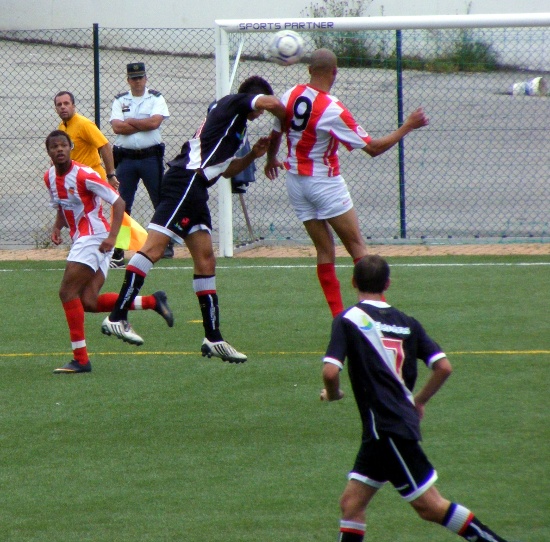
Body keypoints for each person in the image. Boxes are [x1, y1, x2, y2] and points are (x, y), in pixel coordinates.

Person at [320, 255, 515, 542]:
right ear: (388, 284)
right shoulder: (408, 323)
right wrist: (420, 400)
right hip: (384, 429)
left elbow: (330, 371)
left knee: (430, 506)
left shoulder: (348, 320)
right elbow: (443, 367)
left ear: (353, 282)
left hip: (387, 429)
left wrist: (333, 393)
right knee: (351, 504)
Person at [101, 76, 286, 363]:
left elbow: (226, 171)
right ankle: (117, 316)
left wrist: (253, 155)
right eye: (259, 107)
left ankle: (213, 338)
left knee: (206, 260)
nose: (261, 113)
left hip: (196, 187)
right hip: (186, 180)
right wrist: (291, 110)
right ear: (253, 100)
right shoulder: (233, 103)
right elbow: (273, 103)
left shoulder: (235, 125)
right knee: (154, 248)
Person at [265, 48, 429, 318]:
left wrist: (271, 159)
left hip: (295, 183)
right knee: (357, 248)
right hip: (323, 184)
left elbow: (276, 132)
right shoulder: (332, 109)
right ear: (335, 72)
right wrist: (408, 125)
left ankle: (338, 318)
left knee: (324, 250)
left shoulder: (290, 94)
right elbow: (373, 148)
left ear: (309, 70)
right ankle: (377, 316)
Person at [44, 130, 173, 374]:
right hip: (87, 240)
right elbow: (62, 205)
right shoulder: (49, 177)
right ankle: (152, 301)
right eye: (54, 147)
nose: (59, 149)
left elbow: (118, 202)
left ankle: (81, 359)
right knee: (89, 301)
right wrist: (57, 226)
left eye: (63, 145)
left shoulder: (85, 174)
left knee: (67, 292)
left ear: (71, 148)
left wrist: (113, 237)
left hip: (95, 237)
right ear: (48, 152)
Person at [110, 62, 172, 268]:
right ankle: (119, 248)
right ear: (128, 80)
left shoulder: (156, 98)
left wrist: (130, 121)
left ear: (146, 78)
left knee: (159, 200)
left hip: (150, 157)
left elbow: (155, 123)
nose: (137, 81)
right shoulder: (120, 100)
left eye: (140, 77)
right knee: (122, 204)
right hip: (126, 159)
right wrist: (143, 123)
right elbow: (117, 128)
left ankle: (165, 244)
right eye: (133, 78)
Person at [54, 91, 119, 190]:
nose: (63, 107)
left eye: (66, 103)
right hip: (75, 178)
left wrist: (110, 175)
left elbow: (105, 145)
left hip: (91, 177)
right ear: (56, 109)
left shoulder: (84, 124)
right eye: (59, 105)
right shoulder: (62, 126)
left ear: (73, 106)